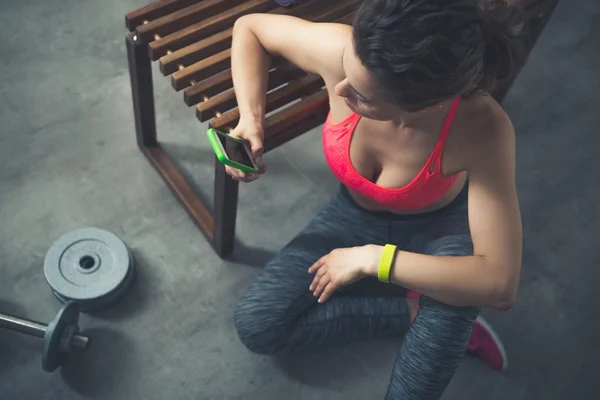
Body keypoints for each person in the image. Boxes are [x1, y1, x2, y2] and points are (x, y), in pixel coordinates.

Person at [227, 0, 523, 398]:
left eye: (362, 97)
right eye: (348, 70)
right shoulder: (343, 51)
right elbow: (251, 28)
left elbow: (499, 283)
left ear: (426, 106)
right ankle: (407, 311)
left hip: (438, 228)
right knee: (258, 325)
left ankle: (430, 304)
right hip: (353, 214)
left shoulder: (483, 127)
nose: (338, 89)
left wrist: (374, 260)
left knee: (432, 352)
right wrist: (251, 117)